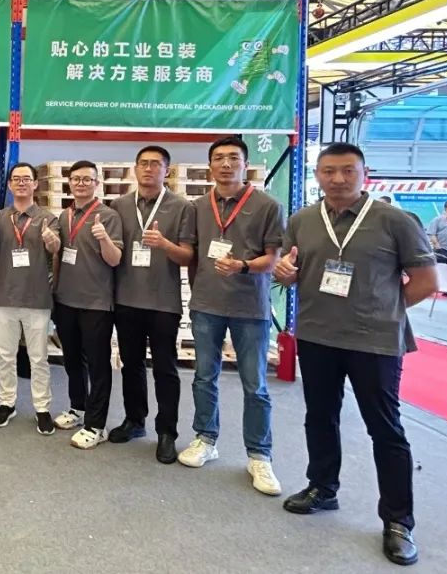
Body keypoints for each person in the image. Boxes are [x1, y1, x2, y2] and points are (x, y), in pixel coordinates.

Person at [275, 142, 437, 567]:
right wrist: (284, 272)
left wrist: (382, 310)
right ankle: (322, 487)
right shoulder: (302, 220)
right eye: (329, 171)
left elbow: (425, 281)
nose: (338, 179)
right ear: (317, 175)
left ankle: (398, 521)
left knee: (385, 428)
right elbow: (290, 271)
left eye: (348, 170)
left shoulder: (394, 220)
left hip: (374, 342)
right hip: (318, 337)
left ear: (365, 174)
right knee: (319, 417)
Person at [180, 136, 284, 497]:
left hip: (250, 308)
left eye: (233, 158)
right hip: (206, 306)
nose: (226, 164)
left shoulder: (267, 206)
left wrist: (242, 266)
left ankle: (259, 455)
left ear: (245, 164)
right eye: (219, 158)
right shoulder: (197, 206)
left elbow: (272, 259)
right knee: (204, 377)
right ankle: (205, 438)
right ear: (210, 165)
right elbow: (191, 255)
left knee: (255, 384)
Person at [109, 145, 196, 464]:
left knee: (165, 369)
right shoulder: (119, 205)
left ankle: (167, 432)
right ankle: (135, 420)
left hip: (163, 302)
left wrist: (164, 244)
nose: (148, 169)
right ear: (135, 169)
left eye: (156, 164)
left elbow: (188, 256)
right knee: (130, 365)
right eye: (143, 163)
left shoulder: (182, 207)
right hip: (126, 298)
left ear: (166, 170)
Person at [51, 161, 123, 450]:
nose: (81, 184)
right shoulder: (64, 215)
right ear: (69, 183)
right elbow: (59, 255)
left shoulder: (108, 216)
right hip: (66, 299)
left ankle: (96, 424)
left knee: (98, 364)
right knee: (72, 360)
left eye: (87, 179)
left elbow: (115, 259)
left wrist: (104, 238)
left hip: (96, 302)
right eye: (76, 179)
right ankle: (77, 407)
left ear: (97, 183)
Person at [0, 162, 61, 435]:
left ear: (35, 184)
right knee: (5, 355)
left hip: (37, 297)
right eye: (16, 179)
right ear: (9, 184)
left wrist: (51, 241)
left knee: (38, 357)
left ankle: (42, 408)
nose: (21, 183)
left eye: (26, 179)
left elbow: (56, 249)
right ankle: (7, 403)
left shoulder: (47, 218)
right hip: (6, 295)